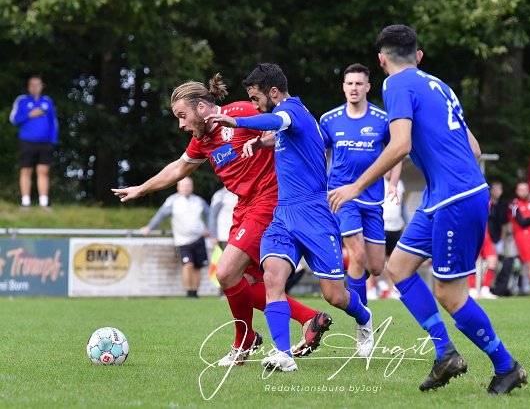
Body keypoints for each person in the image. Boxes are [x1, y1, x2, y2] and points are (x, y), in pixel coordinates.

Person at [328, 24, 526, 395]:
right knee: (398, 268)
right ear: (418, 56)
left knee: (450, 294)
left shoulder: (395, 84)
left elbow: (400, 145)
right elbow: (474, 149)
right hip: (443, 196)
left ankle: (506, 366)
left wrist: (355, 186)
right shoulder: (440, 86)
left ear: (381, 59)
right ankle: (445, 353)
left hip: (454, 198)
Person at [112, 73, 325, 366]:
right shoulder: (201, 141)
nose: (181, 125)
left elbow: (285, 127)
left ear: (201, 108)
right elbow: (178, 169)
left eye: (183, 116)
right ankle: (309, 318)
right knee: (244, 283)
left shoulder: (240, 112)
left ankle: (244, 342)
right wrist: (142, 188)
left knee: (225, 273)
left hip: (269, 203)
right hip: (244, 208)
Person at [207, 63, 373, 373]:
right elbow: (284, 135)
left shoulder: (291, 110)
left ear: (273, 92)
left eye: (256, 98)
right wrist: (261, 142)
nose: (254, 104)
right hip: (283, 214)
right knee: (273, 279)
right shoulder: (290, 121)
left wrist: (237, 120)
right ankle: (283, 354)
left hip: (314, 215)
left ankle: (364, 318)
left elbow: (276, 120)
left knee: (335, 296)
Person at [319, 63, 401, 306]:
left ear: (367, 87)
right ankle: (362, 319)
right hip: (342, 197)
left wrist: (393, 183)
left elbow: (397, 151)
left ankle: (354, 281)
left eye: (358, 83)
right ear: (343, 87)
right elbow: (318, 154)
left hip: (373, 198)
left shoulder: (382, 119)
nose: (354, 88)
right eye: (350, 83)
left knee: (376, 266)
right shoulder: (329, 120)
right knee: (358, 254)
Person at [140, 177, 211, 298]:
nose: (186, 188)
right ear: (178, 187)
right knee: (188, 265)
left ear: (192, 187)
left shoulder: (198, 200)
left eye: (188, 185)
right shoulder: (172, 201)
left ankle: (195, 293)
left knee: (197, 267)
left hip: (199, 238)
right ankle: (189, 292)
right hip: (182, 240)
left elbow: (209, 213)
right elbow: (161, 215)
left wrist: (208, 228)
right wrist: (150, 227)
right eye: (184, 185)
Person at [9, 75, 59, 209]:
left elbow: (54, 123)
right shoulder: (22, 100)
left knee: (43, 171)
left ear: (42, 86)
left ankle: (44, 203)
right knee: (26, 171)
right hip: (27, 142)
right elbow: (13, 119)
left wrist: (53, 141)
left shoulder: (47, 101)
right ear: (28, 86)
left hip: (45, 143)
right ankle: (25, 202)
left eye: (38, 85)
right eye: (32, 85)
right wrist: (29, 115)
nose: (35, 87)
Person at [468, 229, 499, 300]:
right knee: (471, 262)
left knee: (493, 261)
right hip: (472, 236)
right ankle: (472, 290)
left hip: (485, 236)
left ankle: (485, 290)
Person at [487, 181, 509, 253]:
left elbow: (504, 224)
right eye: (495, 189)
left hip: (497, 240)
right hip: (486, 239)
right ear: (491, 191)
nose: (497, 192)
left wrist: (501, 240)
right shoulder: (486, 204)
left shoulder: (502, 206)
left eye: (499, 189)